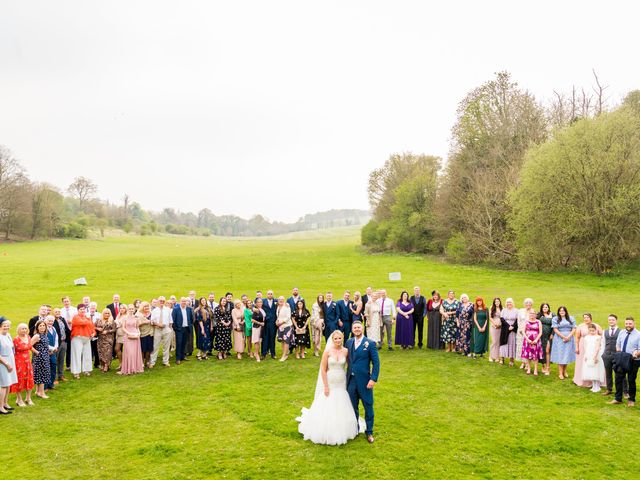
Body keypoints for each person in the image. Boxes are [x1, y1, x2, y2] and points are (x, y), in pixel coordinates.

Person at [296, 330, 365, 445]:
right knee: (328, 400)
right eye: (335, 339)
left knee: (341, 401)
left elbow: (350, 365)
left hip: (341, 381)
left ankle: (342, 427)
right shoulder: (328, 352)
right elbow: (323, 369)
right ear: (332, 340)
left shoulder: (346, 351)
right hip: (330, 380)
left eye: (339, 338)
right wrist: (326, 386)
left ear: (342, 339)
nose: (338, 340)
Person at [346, 320, 380, 443]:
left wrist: (373, 379)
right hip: (351, 381)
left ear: (362, 328)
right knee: (352, 406)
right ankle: (355, 429)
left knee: (368, 406)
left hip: (365, 381)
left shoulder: (370, 344)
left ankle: (369, 432)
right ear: (352, 329)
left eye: (359, 327)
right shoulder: (349, 342)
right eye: (354, 328)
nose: (357, 329)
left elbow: (376, 363)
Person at [609, 316, 640, 407]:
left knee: (631, 380)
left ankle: (631, 400)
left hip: (633, 361)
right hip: (622, 358)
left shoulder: (638, 334)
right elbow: (618, 344)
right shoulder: (622, 332)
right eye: (626, 323)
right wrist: (619, 352)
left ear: (634, 323)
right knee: (618, 379)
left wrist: (636, 354)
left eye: (630, 323)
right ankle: (618, 398)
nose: (628, 325)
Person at [574, 313, 603, 388]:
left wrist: (599, 345)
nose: (586, 319)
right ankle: (581, 380)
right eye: (584, 317)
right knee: (582, 362)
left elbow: (601, 335)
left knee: (594, 363)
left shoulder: (596, 326)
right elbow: (577, 337)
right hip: (583, 346)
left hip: (594, 347)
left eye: (587, 317)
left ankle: (594, 380)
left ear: (591, 318)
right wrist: (577, 347)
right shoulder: (580, 326)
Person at [602, 314, 627, 397]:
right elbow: (603, 343)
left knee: (620, 373)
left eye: (612, 320)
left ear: (616, 321)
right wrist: (603, 354)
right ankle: (609, 389)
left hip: (618, 356)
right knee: (608, 373)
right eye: (609, 320)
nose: (611, 321)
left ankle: (625, 391)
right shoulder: (604, 331)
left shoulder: (621, 331)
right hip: (607, 355)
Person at [10, 323, 36, 406]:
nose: (24, 330)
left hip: (27, 362)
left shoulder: (28, 337)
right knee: (19, 380)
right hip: (19, 362)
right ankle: (19, 399)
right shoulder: (16, 339)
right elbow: (12, 351)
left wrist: (37, 352)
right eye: (22, 329)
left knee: (29, 379)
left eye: (25, 328)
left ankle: (28, 398)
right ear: (18, 330)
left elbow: (30, 347)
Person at [550, 306, 576, 380]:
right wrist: (563, 337)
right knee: (561, 355)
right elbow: (555, 329)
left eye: (563, 311)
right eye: (560, 311)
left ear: (566, 311)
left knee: (566, 355)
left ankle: (565, 371)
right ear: (558, 312)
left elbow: (574, 328)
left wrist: (568, 337)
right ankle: (560, 373)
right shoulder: (555, 319)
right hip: (559, 339)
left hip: (569, 338)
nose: (562, 312)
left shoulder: (571, 318)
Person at [70, 304, 95, 379]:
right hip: (77, 337)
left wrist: (93, 333)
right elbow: (83, 323)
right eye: (81, 309)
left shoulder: (87, 317)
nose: (82, 310)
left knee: (87, 354)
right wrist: (88, 319)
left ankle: (86, 370)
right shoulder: (75, 317)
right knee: (76, 355)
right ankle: (76, 372)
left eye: (84, 309)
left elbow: (92, 327)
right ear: (78, 310)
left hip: (87, 338)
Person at [0, 317, 18, 414]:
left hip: (10, 360)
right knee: (4, 384)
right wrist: (6, 364)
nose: (6, 327)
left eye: (8, 325)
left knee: (8, 384)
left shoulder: (8, 335)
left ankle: (5, 403)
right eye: (4, 325)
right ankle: (0, 407)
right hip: (3, 363)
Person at [120, 304, 144, 375]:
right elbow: (123, 328)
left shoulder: (136, 318)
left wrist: (138, 333)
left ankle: (135, 368)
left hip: (135, 336)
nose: (131, 310)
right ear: (128, 309)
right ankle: (129, 368)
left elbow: (137, 327)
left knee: (135, 352)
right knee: (129, 352)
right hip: (128, 336)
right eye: (129, 309)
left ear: (134, 310)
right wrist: (129, 333)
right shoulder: (124, 318)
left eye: (132, 309)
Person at [582, 323, 605, 392]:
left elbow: (598, 347)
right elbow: (585, 347)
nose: (592, 332)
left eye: (593, 331)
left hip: (595, 354)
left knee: (596, 370)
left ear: (596, 330)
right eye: (590, 330)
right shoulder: (586, 337)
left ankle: (597, 386)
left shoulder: (598, 337)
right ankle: (593, 385)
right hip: (588, 354)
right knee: (590, 370)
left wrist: (595, 356)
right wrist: (586, 355)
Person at [150, 296, 173, 368]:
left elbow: (170, 321)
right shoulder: (154, 311)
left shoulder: (168, 310)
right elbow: (152, 321)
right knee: (155, 346)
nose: (162, 302)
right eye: (160, 301)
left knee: (166, 346)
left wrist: (169, 329)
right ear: (158, 302)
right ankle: (152, 362)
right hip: (157, 330)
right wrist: (158, 324)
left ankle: (166, 361)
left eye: (163, 301)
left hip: (166, 329)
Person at [31, 320, 51, 398]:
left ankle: (38, 391)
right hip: (40, 357)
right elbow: (29, 345)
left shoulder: (44, 334)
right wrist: (37, 352)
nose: (42, 327)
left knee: (40, 374)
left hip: (45, 356)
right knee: (42, 374)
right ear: (37, 327)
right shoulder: (37, 336)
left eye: (43, 325)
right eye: (40, 326)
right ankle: (42, 393)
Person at [171, 297, 194, 365]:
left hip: (187, 328)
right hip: (179, 329)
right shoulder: (176, 309)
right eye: (182, 301)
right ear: (180, 302)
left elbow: (192, 318)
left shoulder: (189, 309)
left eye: (185, 301)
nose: (184, 302)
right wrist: (176, 328)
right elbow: (173, 320)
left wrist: (190, 325)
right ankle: (178, 358)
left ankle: (182, 356)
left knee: (184, 343)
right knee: (179, 343)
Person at [520, 311, 543, 375]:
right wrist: (527, 339)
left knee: (535, 356)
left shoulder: (538, 321)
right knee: (527, 355)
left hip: (536, 341)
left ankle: (535, 369)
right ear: (529, 314)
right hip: (527, 341)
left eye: (533, 313)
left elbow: (540, 332)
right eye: (531, 313)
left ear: (535, 315)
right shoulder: (526, 321)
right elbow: (523, 331)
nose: (532, 315)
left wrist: (536, 340)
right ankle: (529, 368)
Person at [499, 298, 519, 366]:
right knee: (503, 343)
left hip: (513, 329)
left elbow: (517, 320)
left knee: (512, 344)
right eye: (507, 302)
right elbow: (502, 319)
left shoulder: (516, 310)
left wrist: (513, 326)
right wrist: (508, 326)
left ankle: (511, 359)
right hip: (505, 329)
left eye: (510, 302)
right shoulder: (503, 310)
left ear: (512, 303)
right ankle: (502, 358)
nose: (509, 304)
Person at [517, 298, 535, 369]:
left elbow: (534, 321)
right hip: (521, 332)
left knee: (528, 348)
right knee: (521, 347)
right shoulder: (520, 311)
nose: (528, 304)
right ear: (524, 304)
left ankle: (528, 364)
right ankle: (523, 362)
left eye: (529, 303)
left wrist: (528, 331)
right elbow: (518, 321)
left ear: (531, 304)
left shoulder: (533, 311)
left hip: (529, 332)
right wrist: (520, 329)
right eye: (527, 303)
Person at [53, 307, 70, 383]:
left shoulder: (62, 319)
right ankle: (54, 377)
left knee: (61, 359)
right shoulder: (52, 321)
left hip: (64, 342)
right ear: (53, 313)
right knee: (55, 360)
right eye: (56, 312)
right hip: (56, 343)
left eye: (59, 311)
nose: (57, 313)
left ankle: (61, 375)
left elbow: (67, 329)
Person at [261, 291, 278, 359]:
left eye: (271, 294)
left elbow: (283, 302)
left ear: (273, 295)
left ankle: (273, 353)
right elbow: (255, 303)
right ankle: (263, 354)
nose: (270, 295)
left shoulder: (276, 301)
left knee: (272, 339)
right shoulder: (263, 301)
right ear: (267, 295)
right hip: (265, 323)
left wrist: (287, 304)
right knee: (265, 338)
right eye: (269, 294)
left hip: (273, 323)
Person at [137, 301, 154, 368]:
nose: (146, 307)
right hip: (142, 333)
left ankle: (147, 362)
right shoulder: (138, 314)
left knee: (149, 349)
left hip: (150, 333)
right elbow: (137, 324)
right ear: (142, 307)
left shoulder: (151, 313)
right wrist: (145, 322)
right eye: (145, 306)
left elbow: (154, 321)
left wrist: (153, 322)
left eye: (147, 306)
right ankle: (141, 363)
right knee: (142, 349)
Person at [538, 303, 554, 375]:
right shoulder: (539, 315)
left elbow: (555, 325)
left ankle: (548, 367)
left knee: (547, 351)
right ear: (541, 308)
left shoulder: (552, 315)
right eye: (543, 307)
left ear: (548, 308)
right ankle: (543, 366)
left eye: (546, 307)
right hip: (540, 336)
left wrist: (552, 334)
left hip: (548, 336)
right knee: (541, 351)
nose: (545, 308)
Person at [276, 296, 293, 362]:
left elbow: (288, 317)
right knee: (282, 340)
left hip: (287, 326)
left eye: (282, 299)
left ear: (284, 300)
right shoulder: (278, 307)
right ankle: (284, 354)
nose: (281, 300)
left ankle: (284, 355)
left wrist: (281, 323)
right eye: (280, 299)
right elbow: (278, 316)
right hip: (280, 326)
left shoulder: (287, 306)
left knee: (286, 341)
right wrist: (277, 321)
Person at [45, 316, 58, 390]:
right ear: (46, 321)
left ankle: (51, 383)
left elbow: (56, 338)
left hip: (53, 352)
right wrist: (52, 348)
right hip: (46, 351)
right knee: (47, 368)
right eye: (49, 321)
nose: (50, 322)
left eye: (52, 321)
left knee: (53, 366)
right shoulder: (44, 330)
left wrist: (56, 347)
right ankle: (45, 386)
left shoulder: (53, 328)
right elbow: (45, 342)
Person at [87, 302, 101, 368]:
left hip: (96, 333)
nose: (92, 309)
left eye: (94, 307)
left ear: (96, 308)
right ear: (89, 308)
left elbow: (100, 324)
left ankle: (97, 363)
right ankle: (88, 363)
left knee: (96, 349)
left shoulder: (99, 315)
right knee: (88, 349)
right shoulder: (86, 315)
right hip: (87, 333)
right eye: (91, 307)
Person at [488, 298, 503, 362]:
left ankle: (497, 357)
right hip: (493, 326)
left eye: (498, 301)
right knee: (494, 341)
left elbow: (503, 318)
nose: (497, 303)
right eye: (496, 301)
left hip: (500, 326)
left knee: (498, 342)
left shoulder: (502, 308)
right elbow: (490, 317)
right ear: (494, 302)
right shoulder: (492, 308)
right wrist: (495, 324)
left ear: (500, 302)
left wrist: (500, 324)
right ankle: (491, 356)